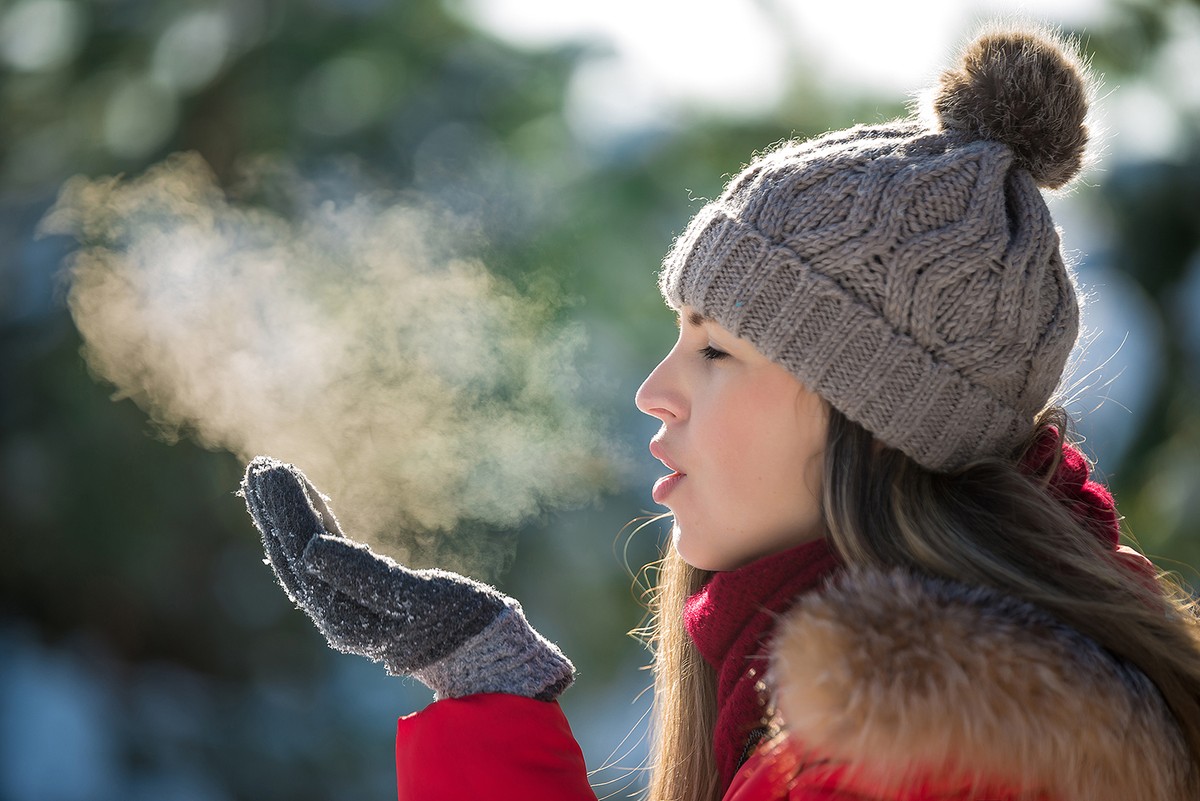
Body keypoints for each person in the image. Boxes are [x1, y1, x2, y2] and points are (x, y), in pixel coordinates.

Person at [240, 23, 1200, 801]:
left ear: (871, 413)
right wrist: (483, 687)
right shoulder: (921, 710)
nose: (654, 390)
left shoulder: (919, 759)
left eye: (715, 350)